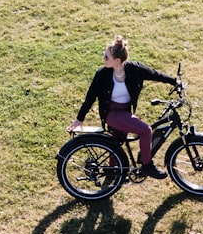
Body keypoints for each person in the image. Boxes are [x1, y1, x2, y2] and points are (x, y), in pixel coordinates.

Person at [67, 36, 179, 179]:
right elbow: (90, 97)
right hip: (112, 113)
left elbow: (154, 74)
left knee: (116, 142)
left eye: (106, 57)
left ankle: (113, 171)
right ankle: (147, 166)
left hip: (125, 112)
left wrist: (174, 82)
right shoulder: (102, 74)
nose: (104, 59)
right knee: (145, 131)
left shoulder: (134, 69)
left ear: (118, 61)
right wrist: (79, 119)